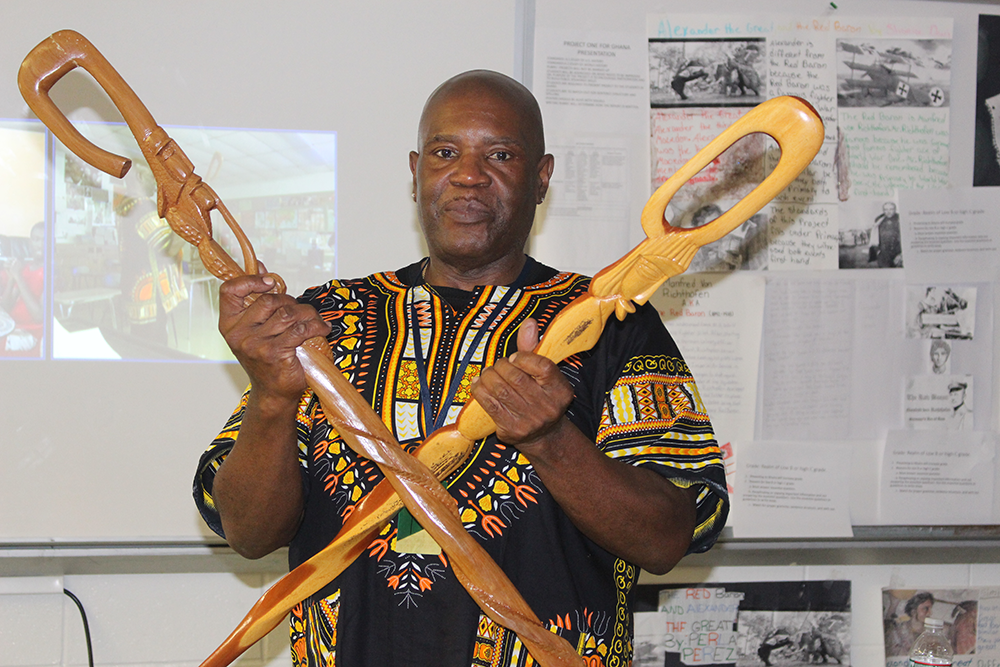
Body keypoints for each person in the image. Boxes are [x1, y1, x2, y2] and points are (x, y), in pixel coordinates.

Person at [193, 70, 729, 667]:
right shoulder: (323, 320)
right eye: (446, 153)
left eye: (499, 154)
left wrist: (552, 441)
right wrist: (271, 400)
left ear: (541, 176)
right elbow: (247, 532)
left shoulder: (613, 324)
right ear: (416, 171)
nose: (468, 175)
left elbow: (667, 536)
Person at [0, 221, 45, 357]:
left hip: (29, 333)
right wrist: (13, 276)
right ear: (30, 242)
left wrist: (18, 277)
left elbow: (39, 316)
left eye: (45, 240)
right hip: (11, 326)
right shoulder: (25, 268)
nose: (40, 244)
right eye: (36, 239)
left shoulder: (50, 272)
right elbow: (6, 306)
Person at [885, 591, 934, 657]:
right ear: (913, 610)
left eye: (930, 609)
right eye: (925, 609)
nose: (929, 613)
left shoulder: (930, 633)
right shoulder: (898, 631)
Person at [870, 201, 902, 268]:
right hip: (883, 255)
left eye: (891, 209)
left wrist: (901, 254)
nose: (888, 211)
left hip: (897, 253)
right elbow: (874, 236)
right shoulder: (879, 220)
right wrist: (878, 251)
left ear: (895, 210)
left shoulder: (900, 219)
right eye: (886, 209)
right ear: (883, 210)